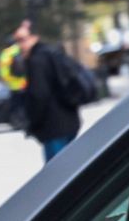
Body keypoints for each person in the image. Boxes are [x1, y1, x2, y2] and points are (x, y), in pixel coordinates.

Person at [13, 20, 81, 162]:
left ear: (34, 37)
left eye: (22, 40)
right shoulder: (51, 53)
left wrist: (33, 122)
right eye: (17, 41)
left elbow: (39, 95)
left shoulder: (36, 60)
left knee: (58, 174)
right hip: (69, 122)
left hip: (53, 126)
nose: (20, 45)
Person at [0, 39, 28, 130]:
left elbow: (3, 73)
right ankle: (27, 121)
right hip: (25, 83)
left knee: (16, 106)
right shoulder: (22, 49)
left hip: (14, 85)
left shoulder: (6, 54)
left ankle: (19, 123)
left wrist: (7, 79)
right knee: (26, 104)